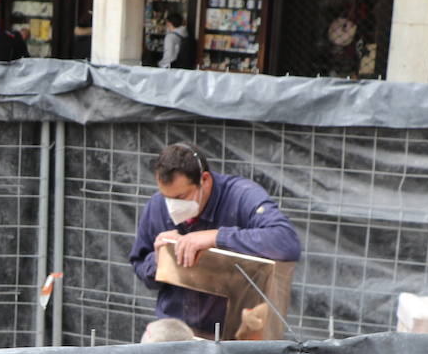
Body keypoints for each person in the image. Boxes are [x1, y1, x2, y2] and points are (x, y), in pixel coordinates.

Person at [128, 142, 301, 337]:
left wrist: (216, 237)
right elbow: (140, 264)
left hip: (232, 335)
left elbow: (287, 242)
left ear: (205, 180)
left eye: (181, 197)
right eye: (166, 197)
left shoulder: (241, 196)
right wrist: (159, 260)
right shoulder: (157, 206)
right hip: (177, 331)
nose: (172, 206)